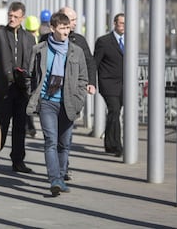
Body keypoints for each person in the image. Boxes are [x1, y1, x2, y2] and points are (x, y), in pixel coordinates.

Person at [26, 12, 88, 196]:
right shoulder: (39, 50)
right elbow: (30, 75)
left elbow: (83, 78)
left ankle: (61, 176)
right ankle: (54, 179)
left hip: (68, 103)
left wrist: (79, 99)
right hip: (47, 102)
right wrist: (34, 93)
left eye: (67, 28)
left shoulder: (76, 51)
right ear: (52, 28)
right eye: (62, 28)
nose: (65, 32)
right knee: (50, 141)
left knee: (64, 144)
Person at [0, 1, 36, 173]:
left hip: (22, 88)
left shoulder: (30, 38)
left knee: (20, 126)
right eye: (10, 16)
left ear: (22, 18)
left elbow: (32, 62)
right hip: (4, 87)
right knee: (2, 124)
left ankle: (18, 160)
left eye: (16, 16)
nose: (12, 19)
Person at [94, 13, 125, 157]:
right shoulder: (104, 41)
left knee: (115, 112)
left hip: (124, 84)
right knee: (114, 109)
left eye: (125, 23)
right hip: (108, 83)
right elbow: (95, 63)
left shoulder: (129, 41)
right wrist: (91, 82)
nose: (123, 26)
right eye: (121, 23)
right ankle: (118, 146)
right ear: (114, 23)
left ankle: (109, 143)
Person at [24, 15, 40, 138]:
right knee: (28, 102)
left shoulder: (27, 38)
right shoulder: (37, 38)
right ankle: (30, 126)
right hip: (31, 75)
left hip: (33, 74)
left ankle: (29, 126)